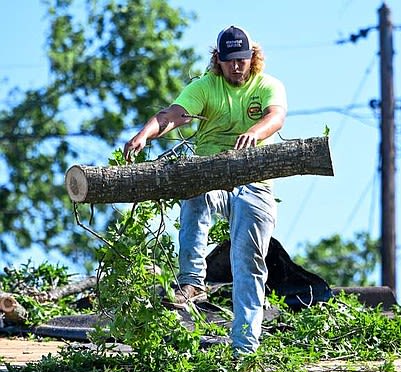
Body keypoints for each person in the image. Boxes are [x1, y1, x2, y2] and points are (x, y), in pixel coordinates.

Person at [123, 25, 287, 354]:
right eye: (229, 61)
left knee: (248, 260)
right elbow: (173, 115)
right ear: (219, 60)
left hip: (254, 184)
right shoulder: (205, 87)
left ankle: (244, 348)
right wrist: (145, 134)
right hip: (212, 178)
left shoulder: (268, 85)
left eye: (242, 59)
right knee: (193, 189)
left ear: (252, 57)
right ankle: (193, 281)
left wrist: (255, 132)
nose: (236, 66)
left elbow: (276, 116)